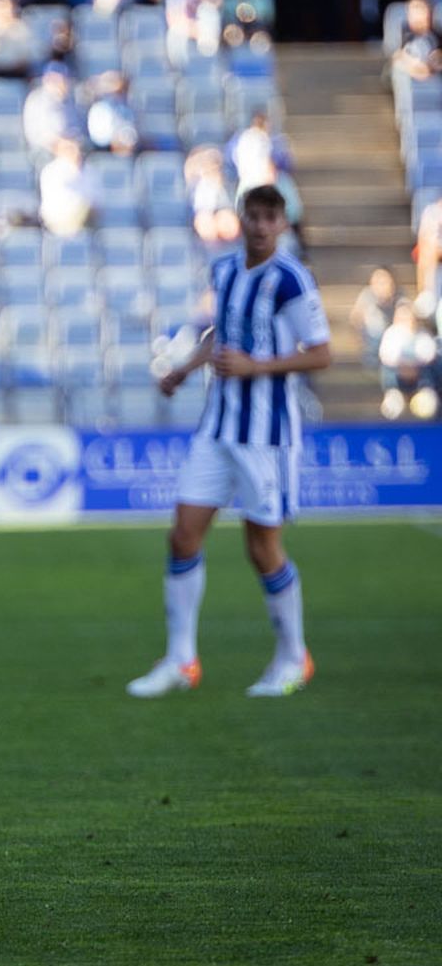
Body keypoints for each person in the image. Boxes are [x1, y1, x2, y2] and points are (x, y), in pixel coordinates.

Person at [127, 185, 332, 700]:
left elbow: (322, 354)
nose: (261, 226)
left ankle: (293, 657)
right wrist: (184, 369)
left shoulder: (291, 280)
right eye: (254, 216)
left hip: (267, 437)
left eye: (271, 218)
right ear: (241, 219)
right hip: (216, 428)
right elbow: (224, 334)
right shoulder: (223, 269)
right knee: (183, 534)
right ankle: (181, 660)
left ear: (282, 224)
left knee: (262, 548)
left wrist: (256, 367)